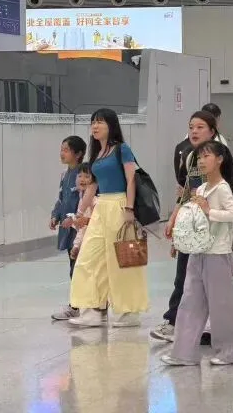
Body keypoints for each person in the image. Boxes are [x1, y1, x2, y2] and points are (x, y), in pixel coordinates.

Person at [161, 141, 233, 366]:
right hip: (198, 251)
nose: (201, 161)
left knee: (221, 305)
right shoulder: (202, 189)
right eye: (199, 157)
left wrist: (210, 211)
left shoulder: (223, 188)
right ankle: (183, 353)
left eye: (207, 156)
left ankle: (230, 352)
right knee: (190, 302)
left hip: (217, 253)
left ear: (219, 160)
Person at [68, 108, 148, 327]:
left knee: (123, 260)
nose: (95, 126)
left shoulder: (122, 149)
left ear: (111, 125)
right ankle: (93, 309)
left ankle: (129, 311)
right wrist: (79, 213)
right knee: (88, 258)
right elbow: (92, 187)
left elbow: (131, 179)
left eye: (100, 122)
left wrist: (129, 208)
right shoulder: (97, 154)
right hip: (101, 207)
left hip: (120, 205)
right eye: (93, 122)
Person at [152, 110, 225, 343]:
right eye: (191, 127)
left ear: (212, 131)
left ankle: (212, 327)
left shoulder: (221, 157)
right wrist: (174, 218)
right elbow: (184, 191)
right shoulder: (190, 157)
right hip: (191, 224)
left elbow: (227, 191)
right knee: (183, 275)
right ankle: (174, 322)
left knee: (210, 280)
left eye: (200, 127)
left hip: (214, 226)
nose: (194, 131)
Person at [50, 135, 87, 321]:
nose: (62, 153)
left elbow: (84, 201)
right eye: (61, 149)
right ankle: (77, 305)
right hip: (67, 229)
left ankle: (80, 306)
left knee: (80, 267)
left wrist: (74, 218)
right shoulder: (65, 175)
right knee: (73, 266)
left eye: (66, 150)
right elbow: (61, 199)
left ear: (78, 154)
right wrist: (55, 215)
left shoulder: (83, 175)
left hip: (80, 229)